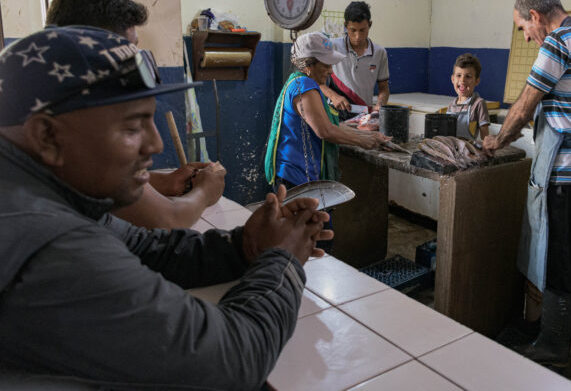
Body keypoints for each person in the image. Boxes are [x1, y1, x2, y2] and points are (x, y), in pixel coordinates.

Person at [0, 26, 332, 390]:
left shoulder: (43, 188)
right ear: (47, 135)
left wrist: (246, 245)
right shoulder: (45, 241)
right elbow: (231, 360)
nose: (155, 144)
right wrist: (281, 262)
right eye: (132, 127)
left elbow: (146, 248)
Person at [483, 0, 571, 367]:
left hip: (569, 175)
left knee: (561, 260)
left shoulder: (557, 44)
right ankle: (548, 333)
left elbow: (524, 106)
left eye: (523, 26)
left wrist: (495, 142)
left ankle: (554, 349)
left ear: (537, 16)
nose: (525, 35)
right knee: (570, 255)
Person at [46, 0, 225, 229]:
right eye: (126, 51)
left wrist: (167, 181)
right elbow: (168, 219)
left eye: (135, 48)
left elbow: (104, 184)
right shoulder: (75, 117)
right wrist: (205, 190)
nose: (155, 144)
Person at [265, 32, 389, 190]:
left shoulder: (304, 83)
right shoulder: (304, 86)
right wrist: (362, 141)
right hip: (295, 175)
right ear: (309, 65)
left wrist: (369, 135)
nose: (331, 71)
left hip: (300, 172)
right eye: (326, 65)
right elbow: (325, 130)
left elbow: (329, 123)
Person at [320, 1, 390, 117]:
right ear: (345, 26)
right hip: (336, 114)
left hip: (364, 115)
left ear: (370, 25)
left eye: (362, 30)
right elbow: (315, 81)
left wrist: (379, 106)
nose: (358, 36)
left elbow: (384, 87)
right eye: (353, 30)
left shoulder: (380, 53)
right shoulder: (333, 47)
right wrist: (333, 96)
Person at [446, 53, 490, 141]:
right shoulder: (451, 105)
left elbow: (485, 137)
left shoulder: (478, 103)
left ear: (476, 81)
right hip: (452, 150)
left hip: (468, 151)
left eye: (468, 76)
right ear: (453, 79)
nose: (462, 80)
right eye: (458, 75)